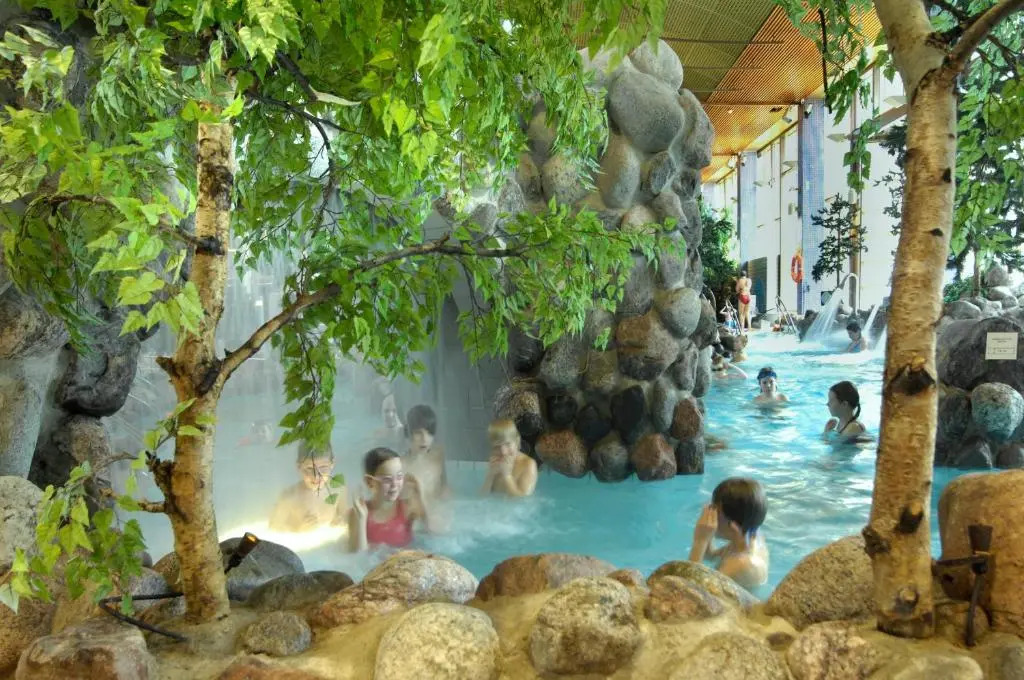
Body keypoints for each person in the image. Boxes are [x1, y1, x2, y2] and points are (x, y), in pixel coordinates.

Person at [689, 477, 769, 590]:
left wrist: (699, 541)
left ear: (733, 527)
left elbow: (691, 589)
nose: (711, 514)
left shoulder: (740, 565)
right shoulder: (748, 536)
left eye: (716, 512)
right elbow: (711, 556)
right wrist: (706, 536)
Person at [347, 447, 431, 551]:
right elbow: (357, 556)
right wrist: (361, 519)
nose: (394, 485)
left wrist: (420, 496)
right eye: (387, 479)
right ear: (369, 482)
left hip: (407, 558)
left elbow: (430, 533)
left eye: (399, 477)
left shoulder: (406, 507)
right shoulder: (358, 513)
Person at [269, 443, 348, 532]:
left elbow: (344, 516)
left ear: (332, 464)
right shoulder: (289, 496)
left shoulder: (339, 489)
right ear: (299, 466)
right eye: (309, 468)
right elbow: (273, 527)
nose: (316, 476)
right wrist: (297, 530)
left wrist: (340, 521)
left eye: (323, 467)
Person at [404, 404, 450, 501]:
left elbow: (444, 487)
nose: (424, 439)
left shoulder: (437, 455)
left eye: (429, 433)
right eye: (418, 433)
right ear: (409, 433)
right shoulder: (401, 466)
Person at [481, 419, 538, 497]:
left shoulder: (528, 465)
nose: (503, 452)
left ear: (517, 441)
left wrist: (507, 475)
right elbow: (481, 497)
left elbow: (522, 500)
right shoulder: (496, 461)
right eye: (497, 447)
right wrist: (490, 475)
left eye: (507, 444)